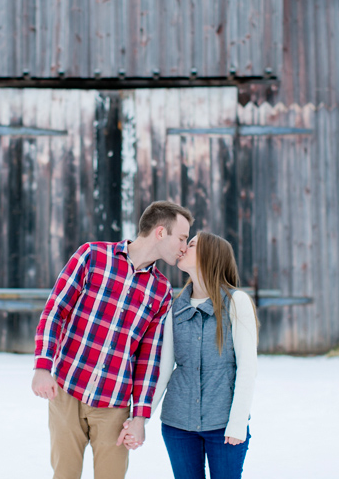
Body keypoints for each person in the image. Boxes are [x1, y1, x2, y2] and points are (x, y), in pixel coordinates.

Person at [32, 200, 194, 479]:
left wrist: (140, 417)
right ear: (159, 232)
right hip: (66, 391)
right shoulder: (91, 256)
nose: (184, 246)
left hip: (114, 406)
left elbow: (149, 359)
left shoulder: (161, 291)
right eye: (182, 238)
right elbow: (55, 311)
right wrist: (42, 366)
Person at [125, 232, 259, 479]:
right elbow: (163, 371)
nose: (184, 247)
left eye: (193, 244)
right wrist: (140, 420)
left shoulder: (236, 302)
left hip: (224, 425)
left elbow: (247, 368)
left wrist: (238, 422)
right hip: (178, 425)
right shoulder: (174, 307)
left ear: (210, 255)